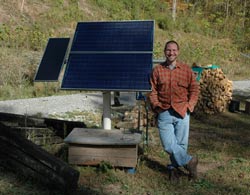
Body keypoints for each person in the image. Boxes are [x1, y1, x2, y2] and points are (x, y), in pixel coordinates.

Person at [148, 40, 200, 180]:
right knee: (168, 145)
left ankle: (174, 169)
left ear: (178, 52)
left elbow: (194, 89)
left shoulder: (186, 70)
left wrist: (190, 105)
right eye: (168, 50)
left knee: (181, 144)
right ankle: (190, 161)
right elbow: (152, 91)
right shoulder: (157, 70)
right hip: (164, 110)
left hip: (182, 111)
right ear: (165, 52)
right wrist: (156, 105)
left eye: (174, 50)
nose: (171, 53)